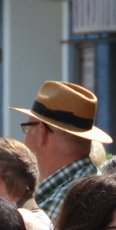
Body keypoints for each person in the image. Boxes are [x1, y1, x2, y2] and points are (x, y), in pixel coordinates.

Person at [16, 81, 109, 221]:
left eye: (27, 127)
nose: (24, 138)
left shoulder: (65, 200)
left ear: (42, 132)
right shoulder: (91, 183)